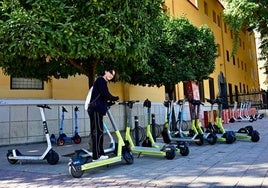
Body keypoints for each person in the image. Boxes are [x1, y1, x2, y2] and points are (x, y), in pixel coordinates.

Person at [87, 69, 119, 161]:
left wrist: (112, 101)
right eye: (110, 73)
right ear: (105, 71)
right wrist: (114, 98)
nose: (111, 76)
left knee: (99, 131)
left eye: (112, 75)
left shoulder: (103, 82)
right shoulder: (101, 80)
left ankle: (100, 154)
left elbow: (103, 97)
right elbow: (105, 94)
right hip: (96, 109)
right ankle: (96, 156)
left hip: (97, 109)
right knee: (97, 132)